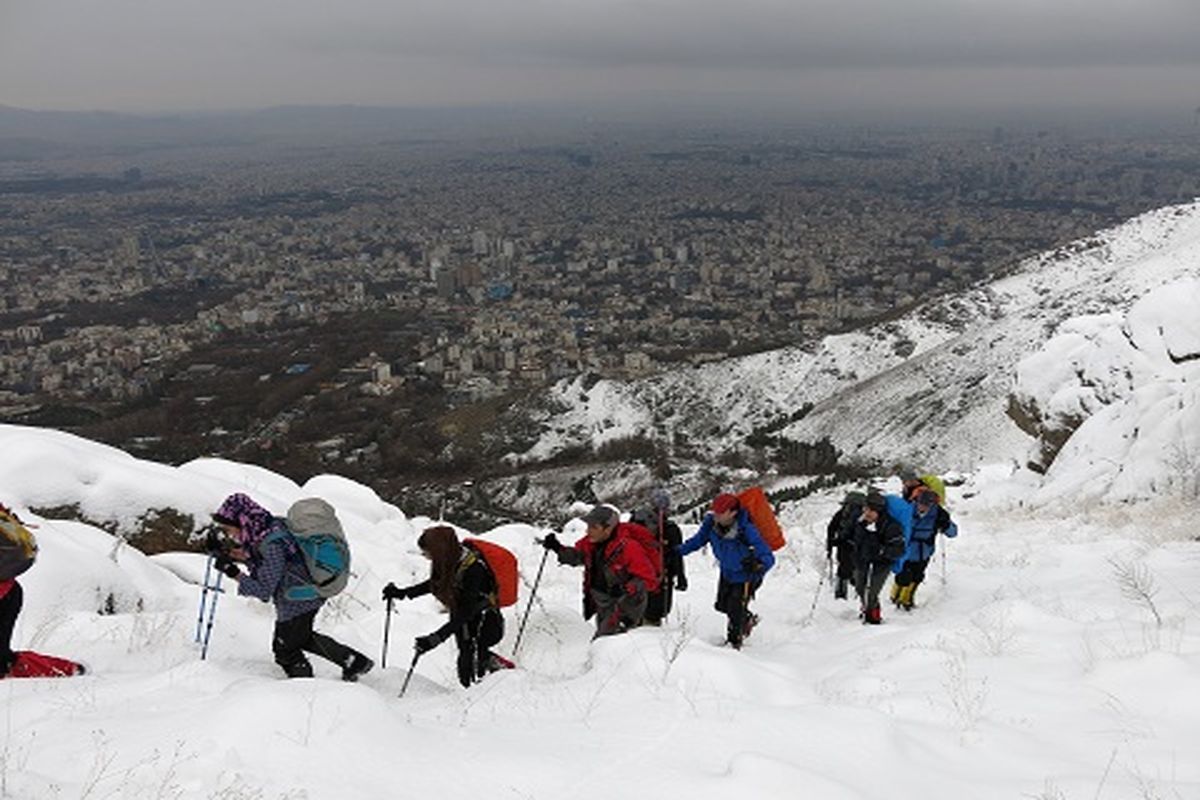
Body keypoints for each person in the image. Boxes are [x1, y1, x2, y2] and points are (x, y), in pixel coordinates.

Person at [212, 493, 373, 681]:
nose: (230, 534)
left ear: (243, 521)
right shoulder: (269, 527)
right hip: (306, 594)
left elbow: (264, 589)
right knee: (301, 637)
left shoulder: (271, 543)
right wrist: (235, 556)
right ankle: (354, 662)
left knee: (285, 650)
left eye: (230, 528)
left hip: (298, 599)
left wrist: (233, 573)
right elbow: (268, 561)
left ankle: (303, 690)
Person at [381, 526, 514, 687]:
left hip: (484, 620)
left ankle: (501, 682)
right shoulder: (450, 560)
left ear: (439, 550)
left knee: (470, 664)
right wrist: (402, 593)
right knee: (467, 660)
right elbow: (436, 584)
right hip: (464, 616)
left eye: (428, 553)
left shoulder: (474, 569)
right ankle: (490, 675)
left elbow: (466, 611)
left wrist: (436, 638)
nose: (426, 557)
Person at [540, 504, 658, 637]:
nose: (588, 531)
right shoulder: (592, 543)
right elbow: (578, 557)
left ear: (608, 529)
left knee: (605, 643)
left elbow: (648, 580)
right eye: (588, 527)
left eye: (594, 527)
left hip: (622, 608)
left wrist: (627, 589)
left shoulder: (629, 548)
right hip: (602, 602)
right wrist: (557, 547)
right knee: (604, 643)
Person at [676, 493, 775, 649]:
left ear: (733, 512)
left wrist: (759, 565)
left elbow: (768, 556)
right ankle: (747, 619)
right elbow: (698, 541)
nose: (716, 515)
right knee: (722, 605)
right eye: (715, 511)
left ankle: (733, 644)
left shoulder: (746, 529)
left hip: (746, 576)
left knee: (735, 610)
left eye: (720, 512)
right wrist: (677, 551)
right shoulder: (711, 525)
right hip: (727, 572)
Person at [891, 489, 958, 610]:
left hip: (924, 551)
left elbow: (953, 533)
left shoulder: (938, 514)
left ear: (932, 504)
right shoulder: (907, 510)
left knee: (917, 576)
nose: (922, 507)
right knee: (903, 576)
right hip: (906, 549)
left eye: (927, 505)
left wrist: (946, 525)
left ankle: (907, 599)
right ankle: (895, 596)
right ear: (916, 501)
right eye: (921, 503)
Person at [631, 489, 688, 625]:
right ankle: (652, 630)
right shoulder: (671, 529)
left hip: (637, 572)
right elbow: (676, 554)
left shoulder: (636, 521)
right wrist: (680, 575)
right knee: (655, 611)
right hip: (662, 574)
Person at [852, 492, 907, 625]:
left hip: (882, 563)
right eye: (866, 509)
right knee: (860, 587)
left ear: (879, 511)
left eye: (871, 510)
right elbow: (856, 540)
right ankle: (866, 608)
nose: (867, 513)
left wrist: (882, 550)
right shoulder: (861, 523)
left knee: (872, 591)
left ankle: (873, 616)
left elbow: (899, 549)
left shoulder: (891, 526)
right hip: (863, 560)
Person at [826, 491, 865, 600]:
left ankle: (840, 593)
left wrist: (829, 545)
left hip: (842, 545)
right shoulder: (863, 513)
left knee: (843, 567)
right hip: (856, 546)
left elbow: (831, 527)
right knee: (856, 567)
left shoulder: (842, 512)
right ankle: (856, 589)